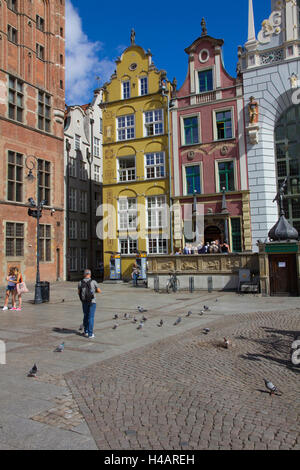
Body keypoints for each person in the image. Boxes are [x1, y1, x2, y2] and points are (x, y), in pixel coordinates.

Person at [78, 269, 101, 339]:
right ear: (90, 274)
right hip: (92, 302)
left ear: (84, 274)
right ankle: (90, 334)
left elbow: (78, 292)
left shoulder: (80, 282)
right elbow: (99, 291)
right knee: (91, 317)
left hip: (84, 301)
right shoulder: (93, 282)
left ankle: (86, 331)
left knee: (85, 316)